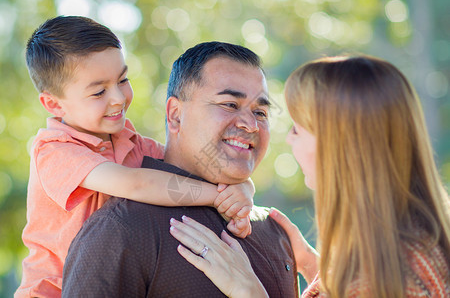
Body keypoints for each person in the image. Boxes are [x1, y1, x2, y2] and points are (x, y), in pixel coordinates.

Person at [170, 55, 450, 297]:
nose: (289, 141)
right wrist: (316, 268)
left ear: (338, 144)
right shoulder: (406, 245)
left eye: (297, 129)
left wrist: (249, 290)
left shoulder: (392, 273)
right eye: (229, 105)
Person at [17, 17, 254, 298]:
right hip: (54, 292)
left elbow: (191, 170)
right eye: (99, 91)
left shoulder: (131, 143)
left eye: (123, 80)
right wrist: (217, 195)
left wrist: (241, 189)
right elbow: (137, 184)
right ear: (54, 103)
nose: (118, 97)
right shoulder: (54, 150)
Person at [61, 41, 300, 297]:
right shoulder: (121, 230)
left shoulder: (275, 231)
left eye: (261, 112)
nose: (251, 125)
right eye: (230, 104)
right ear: (175, 115)